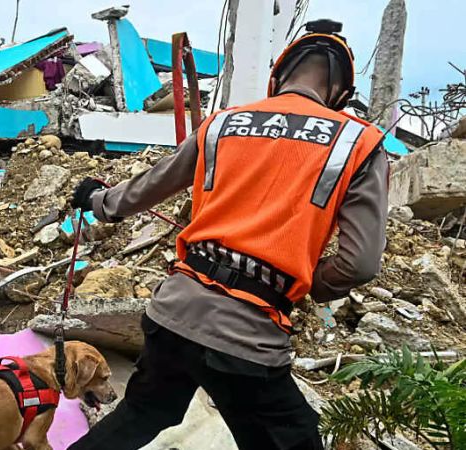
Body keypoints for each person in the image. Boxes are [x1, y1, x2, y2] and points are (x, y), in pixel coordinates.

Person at [68, 20, 389, 450]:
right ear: (341, 95)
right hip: (247, 338)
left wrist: (97, 199)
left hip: (173, 315)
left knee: (142, 414)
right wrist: (310, 283)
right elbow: (361, 262)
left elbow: (146, 187)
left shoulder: (224, 123)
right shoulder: (358, 142)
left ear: (277, 75)